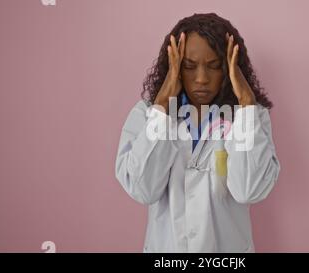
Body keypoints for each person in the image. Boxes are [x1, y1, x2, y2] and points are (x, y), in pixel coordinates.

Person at [115, 13, 281, 252]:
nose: (201, 79)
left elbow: (249, 190)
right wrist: (162, 107)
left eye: (214, 66)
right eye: (189, 67)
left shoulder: (249, 118)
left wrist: (246, 103)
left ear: (229, 69)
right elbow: (143, 189)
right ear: (174, 67)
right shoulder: (148, 116)